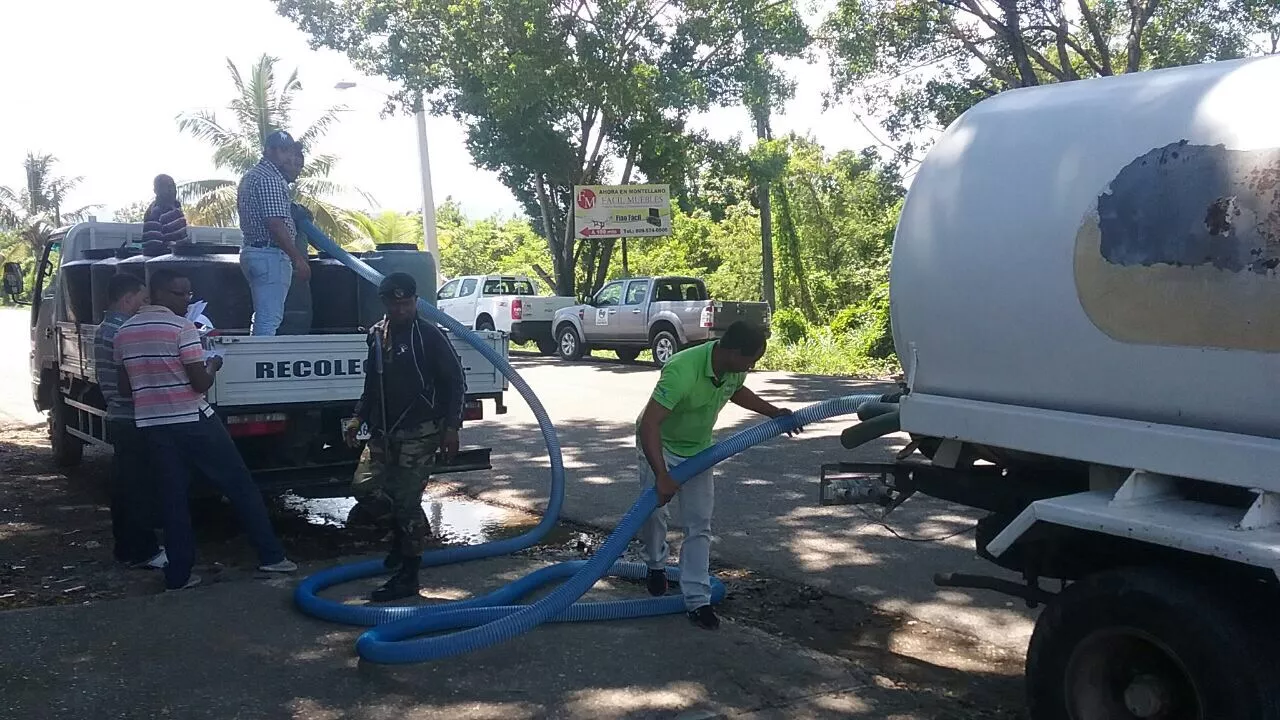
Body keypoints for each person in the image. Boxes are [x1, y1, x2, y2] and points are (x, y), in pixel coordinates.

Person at [114, 268, 296, 590]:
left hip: (153, 425)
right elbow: (200, 383)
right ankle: (272, 557)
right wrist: (212, 363)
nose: (187, 300)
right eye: (179, 293)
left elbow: (125, 389)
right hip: (194, 419)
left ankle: (179, 575)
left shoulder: (124, 333)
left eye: (188, 293)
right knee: (239, 484)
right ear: (158, 295)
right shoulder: (182, 328)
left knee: (173, 500)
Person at [635, 321, 796, 630]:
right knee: (653, 512)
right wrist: (663, 475)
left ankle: (697, 600)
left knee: (699, 524)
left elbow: (738, 391)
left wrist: (773, 411)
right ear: (733, 352)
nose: (751, 367)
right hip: (660, 445)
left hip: (698, 451)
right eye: (750, 361)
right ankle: (655, 564)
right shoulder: (682, 369)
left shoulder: (733, 371)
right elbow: (650, 425)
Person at [343, 272, 465, 602]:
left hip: (420, 431)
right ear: (384, 303)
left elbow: (455, 382)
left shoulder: (428, 335)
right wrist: (358, 418)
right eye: (394, 304)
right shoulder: (377, 336)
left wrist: (452, 427)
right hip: (384, 430)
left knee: (407, 503)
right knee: (363, 489)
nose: (401, 310)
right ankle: (403, 535)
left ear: (415, 302)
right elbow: (372, 385)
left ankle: (409, 576)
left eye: (406, 303)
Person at [93, 273, 166, 570]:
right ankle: (144, 551)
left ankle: (126, 549)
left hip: (118, 416)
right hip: (133, 416)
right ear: (127, 299)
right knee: (138, 489)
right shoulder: (123, 332)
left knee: (125, 488)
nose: (145, 305)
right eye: (142, 299)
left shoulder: (105, 329)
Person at [236, 130, 310, 336]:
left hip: (254, 250)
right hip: (270, 254)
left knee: (263, 315)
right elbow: (275, 223)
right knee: (269, 318)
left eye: (288, 150)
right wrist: (298, 259)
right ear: (269, 150)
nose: (286, 156)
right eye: (282, 150)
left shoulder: (252, 175)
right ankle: (258, 363)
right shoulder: (270, 179)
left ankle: (255, 356)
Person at [141, 174, 189, 245]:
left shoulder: (176, 208)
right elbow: (153, 246)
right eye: (166, 187)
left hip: (178, 253)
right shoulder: (155, 212)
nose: (171, 190)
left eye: (173, 186)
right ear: (156, 191)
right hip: (164, 254)